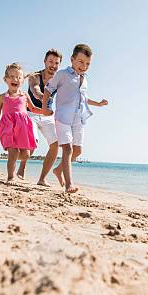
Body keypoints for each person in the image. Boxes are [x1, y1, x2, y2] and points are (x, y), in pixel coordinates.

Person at [42, 44, 108, 193]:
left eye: (88, 64)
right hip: (63, 118)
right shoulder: (62, 74)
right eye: (81, 61)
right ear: (72, 60)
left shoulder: (84, 80)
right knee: (68, 149)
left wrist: (98, 103)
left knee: (78, 151)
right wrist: (45, 108)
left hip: (78, 119)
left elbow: (83, 98)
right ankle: (69, 184)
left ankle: (58, 170)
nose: (84, 66)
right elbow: (48, 89)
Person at [0, 63, 50, 183]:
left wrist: (44, 112)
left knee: (26, 155)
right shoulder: (2, 97)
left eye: (18, 77)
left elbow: (32, 109)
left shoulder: (24, 95)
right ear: (5, 79)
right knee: (12, 152)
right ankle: (10, 177)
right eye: (11, 76)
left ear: (22, 81)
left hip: (23, 128)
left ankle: (14, 159)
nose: (15, 79)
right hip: (8, 127)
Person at [25, 49, 62, 186]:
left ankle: (42, 179)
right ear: (45, 61)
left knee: (55, 144)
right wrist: (44, 97)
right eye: (50, 61)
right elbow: (36, 91)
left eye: (56, 63)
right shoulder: (35, 76)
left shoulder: (58, 79)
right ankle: (23, 165)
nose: (53, 65)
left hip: (47, 116)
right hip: (30, 113)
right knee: (32, 143)